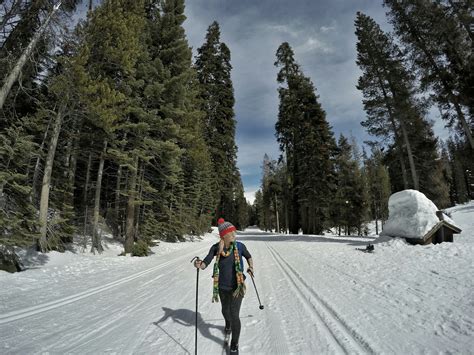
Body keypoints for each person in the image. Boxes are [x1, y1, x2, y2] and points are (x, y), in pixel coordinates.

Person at [194, 218, 254, 354]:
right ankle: (228, 323)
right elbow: (206, 262)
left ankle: (234, 344)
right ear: (224, 236)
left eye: (234, 233)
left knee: (234, 314)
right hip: (222, 287)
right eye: (231, 234)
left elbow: (249, 256)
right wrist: (199, 264)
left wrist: (251, 267)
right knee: (225, 311)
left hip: (238, 286)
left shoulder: (240, 246)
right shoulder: (216, 248)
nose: (234, 235)